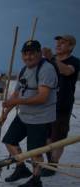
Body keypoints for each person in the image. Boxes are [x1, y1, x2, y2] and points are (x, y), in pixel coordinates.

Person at [0, 40, 58, 187]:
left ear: (39, 53)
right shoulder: (24, 70)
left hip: (40, 117)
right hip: (24, 115)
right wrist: (5, 114)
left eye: (32, 53)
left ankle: (36, 180)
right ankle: (21, 168)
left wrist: (18, 101)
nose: (28, 57)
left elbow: (42, 97)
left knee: (35, 151)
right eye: (25, 53)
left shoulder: (47, 69)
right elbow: (16, 93)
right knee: (9, 141)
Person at [41, 34, 79, 176]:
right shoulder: (49, 61)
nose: (58, 45)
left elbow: (66, 70)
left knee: (58, 137)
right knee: (46, 136)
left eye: (63, 43)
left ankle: (53, 164)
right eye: (57, 42)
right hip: (47, 104)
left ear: (71, 46)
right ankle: (49, 162)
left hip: (63, 104)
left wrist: (51, 58)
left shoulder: (74, 61)